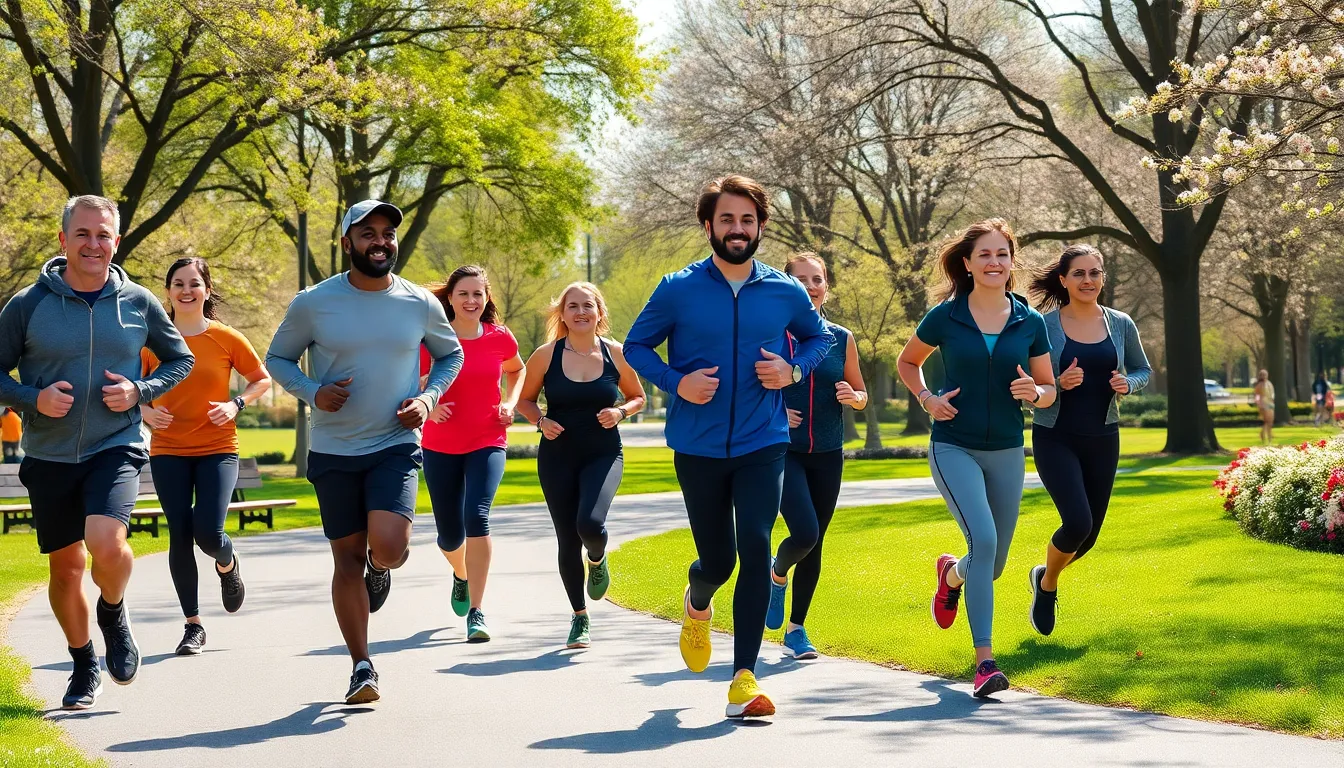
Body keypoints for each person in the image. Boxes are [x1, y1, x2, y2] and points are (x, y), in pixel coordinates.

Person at [625, 175, 835, 719]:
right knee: (718, 561)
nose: (737, 229)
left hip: (764, 441)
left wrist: (792, 370)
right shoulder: (677, 288)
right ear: (708, 226)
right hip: (697, 445)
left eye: (747, 220)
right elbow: (636, 346)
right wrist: (677, 382)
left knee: (756, 546)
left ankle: (744, 678)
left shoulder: (784, 291)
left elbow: (820, 338)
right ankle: (698, 600)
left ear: (761, 227)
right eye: (727, 219)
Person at [0, 195, 193, 710]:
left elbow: (180, 359)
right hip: (49, 453)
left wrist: (140, 391)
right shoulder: (28, 305)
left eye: (103, 235)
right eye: (82, 234)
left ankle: (113, 609)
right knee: (66, 569)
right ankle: (84, 662)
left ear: (116, 241)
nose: (93, 244)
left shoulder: (139, 302)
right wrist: (31, 398)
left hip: (116, 444)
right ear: (63, 240)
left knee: (105, 542)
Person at [267, 199, 462, 704]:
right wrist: (313, 392)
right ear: (347, 243)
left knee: (390, 546)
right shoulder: (313, 302)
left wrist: (427, 398)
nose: (380, 242)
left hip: (394, 442)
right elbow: (278, 358)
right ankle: (361, 666)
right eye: (368, 233)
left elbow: (451, 355)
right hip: (334, 449)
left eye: (387, 234)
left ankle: (382, 566)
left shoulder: (419, 302)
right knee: (346, 558)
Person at [895, 218, 1055, 699]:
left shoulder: (1030, 322)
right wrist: (927, 399)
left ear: (1011, 262)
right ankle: (985, 662)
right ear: (967, 263)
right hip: (954, 445)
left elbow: (1048, 389)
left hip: (1007, 448)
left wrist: (1035, 393)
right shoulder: (945, 316)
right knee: (983, 540)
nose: (994, 262)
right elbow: (908, 362)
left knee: (994, 563)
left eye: (1002, 254)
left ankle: (951, 574)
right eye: (984, 254)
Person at [139, 257, 273, 655]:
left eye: (194, 283)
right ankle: (193, 625)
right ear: (167, 292)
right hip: (168, 450)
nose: (186, 290)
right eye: (178, 284)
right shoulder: (151, 340)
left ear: (207, 290)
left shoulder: (226, 337)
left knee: (209, 534)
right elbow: (131, 388)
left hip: (218, 448)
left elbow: (261, 379)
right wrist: (145, 411)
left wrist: (236, 404)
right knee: (180, 535)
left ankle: (227, 563)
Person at [1025, 245, 1150, 636]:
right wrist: (1058, 384)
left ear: (1102, 278)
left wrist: (1128, 383)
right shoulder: (1043, 326)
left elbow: (1143, 369)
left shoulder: (1121, 323)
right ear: (1063, 280)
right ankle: (1047, 588)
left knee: (1089, 537)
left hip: (1103, 437)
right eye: (1079, 273)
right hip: (1055, 436)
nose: (1088, 280)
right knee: (1077, 522)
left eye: (1095, 273)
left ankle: (1044, 576)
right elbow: (1029, 385)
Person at [517, 282, 646, 648]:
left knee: (590, 524)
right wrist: (541, 421)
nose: (580, 312)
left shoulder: (616, 353)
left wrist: (620, 412)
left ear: (599, 312)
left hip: (603, 453)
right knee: (567, 537)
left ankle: (598, 557)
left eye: (587, 305)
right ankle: (579, 617)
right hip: (557, 456)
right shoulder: (545, 355)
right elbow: (524, 401)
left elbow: (637, 396)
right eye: (572, 306)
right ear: (562, 314)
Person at [768, 253, 867, 660]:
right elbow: (746, 390)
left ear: (827, 286)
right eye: (801, 280)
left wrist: (853, 396)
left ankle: (796, 629)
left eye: (817, 279)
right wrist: (776, 411)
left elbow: (861, 394)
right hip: (783, 452)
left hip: (828, 452)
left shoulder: (841, 338)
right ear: (786, 286)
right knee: (805, 534)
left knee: (816, 542)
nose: (811, 287)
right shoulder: (770, 335)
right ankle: (777, 572)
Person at [420, 265, 524, 642]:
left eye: (477, 293)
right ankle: (461, 573)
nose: (471, 300)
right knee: (449, 537)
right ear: (450, 298)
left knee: (477, 516)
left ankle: (477, 611)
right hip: (440, 443)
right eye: (463, 293)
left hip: (488, 438)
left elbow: (517, 370)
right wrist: (428, 404)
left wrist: (510, 403)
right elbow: (407, 381)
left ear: (486, 297)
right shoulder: (432, 339)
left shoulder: (499, 337)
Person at [1254, 369, 1275, 443]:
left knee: (1270, 422)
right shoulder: (1259, 385)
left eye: (1265, 374)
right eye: (1262, 375)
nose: (1264, 376)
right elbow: (1257, 396)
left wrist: (1272, 399)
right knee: (1267, 421)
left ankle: (1263, 434)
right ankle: (1269, 437)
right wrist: (1258, 404)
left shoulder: (1269, 383)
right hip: (1263, 404)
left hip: (1271, 404)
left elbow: (1272, 393)